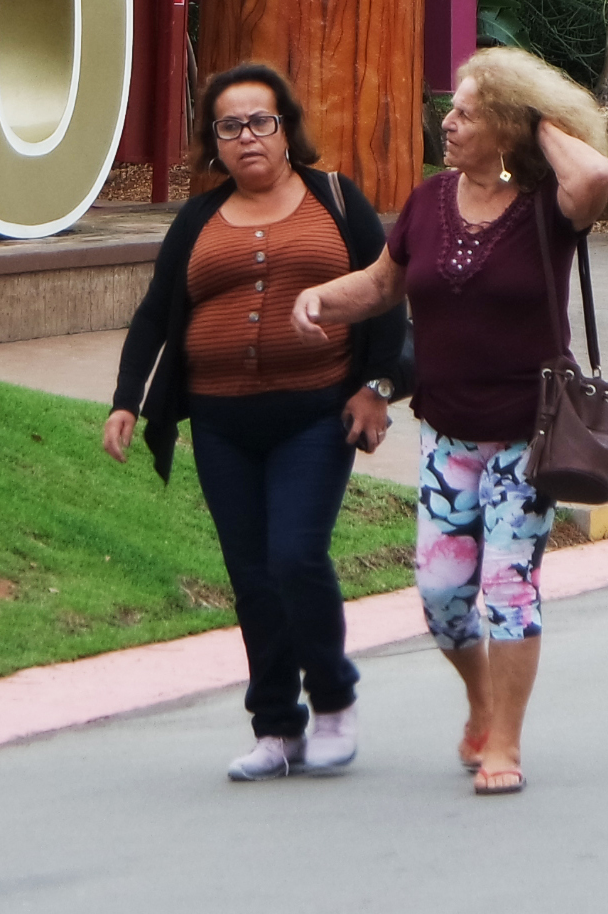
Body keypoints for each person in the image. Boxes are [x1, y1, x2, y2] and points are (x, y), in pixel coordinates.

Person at [294, 45, 608, 799]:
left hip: (526, 436)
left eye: (469, 113)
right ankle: (480, 695)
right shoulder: (429, 203)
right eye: (454, 108)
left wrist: (533, 118)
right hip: (447, 434)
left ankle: (503, 737)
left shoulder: (551, 209)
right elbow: (382, 285)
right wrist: (320, 299)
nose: (449, 122)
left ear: (505, 128)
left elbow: (597, 175)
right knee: (442, 599)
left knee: (509, 590)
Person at [106, 63, 405, 781]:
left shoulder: (336, 200)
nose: (247, 137)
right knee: (251, 576)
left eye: (260, 121)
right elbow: (156, 311)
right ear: (215, 140)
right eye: (230, 126)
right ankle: (276, 728)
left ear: (285, 128)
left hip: (314, 414)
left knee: (295, 557)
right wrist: (127, 397)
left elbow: (390, 297)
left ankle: (333, 701)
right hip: (220, 424)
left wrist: (377, 388)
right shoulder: (198, 219)